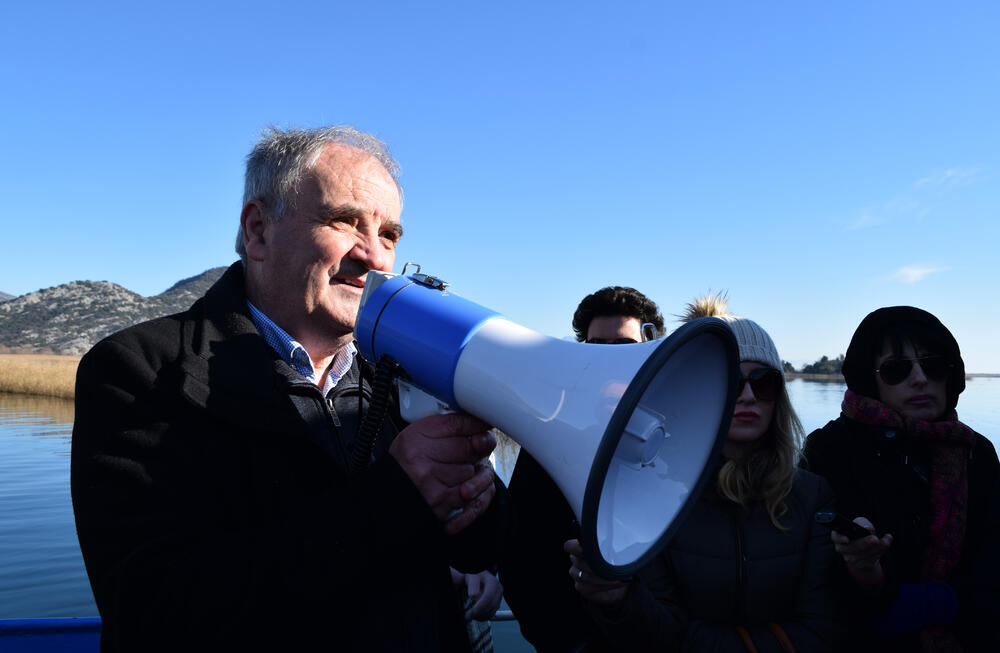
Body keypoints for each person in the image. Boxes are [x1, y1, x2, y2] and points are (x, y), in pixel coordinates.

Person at [71, 126, 508, 652]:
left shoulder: (406, 374)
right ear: (258, 231)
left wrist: (474, 502)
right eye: (344, 221)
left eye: (389, 234)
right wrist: (397, 498)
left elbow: (480, 549)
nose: (374, 256)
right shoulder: (138, 372)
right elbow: (155, 610)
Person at [564, 297, 837, 652]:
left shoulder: (813, 494)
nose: (749, 396)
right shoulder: (649, 494)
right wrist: (619, 598)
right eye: (732, 381)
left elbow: (826, 627)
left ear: (779, 397)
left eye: (764, 382)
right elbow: (655, 634)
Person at [801, 306, 1000, 652]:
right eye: (897, 369)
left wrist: (940, 603)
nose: (920, 378)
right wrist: (863, 571)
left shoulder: (976, 451)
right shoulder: (829, 449)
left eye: (934, 365)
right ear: (869, 377)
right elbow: (811, 573)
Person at [499, 285, 665, 652]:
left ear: (651, 349)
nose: (609, 362)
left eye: (624, 348)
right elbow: (521, 560)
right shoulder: (548, 442)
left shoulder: (682, 442)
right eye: (596, 349)